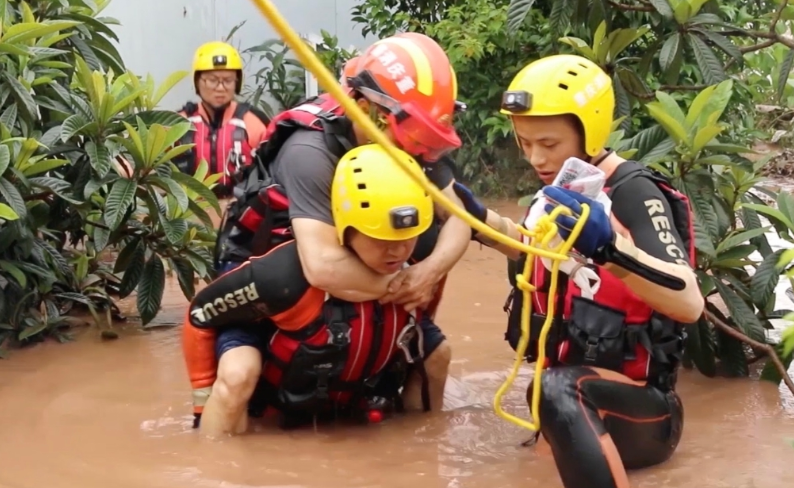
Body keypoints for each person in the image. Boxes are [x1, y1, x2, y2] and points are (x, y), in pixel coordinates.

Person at [450, 54, 704, 488]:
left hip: (643, 409)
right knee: (547, 398)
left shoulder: (634, 194)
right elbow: (534, 251)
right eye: (525, 142)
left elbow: (689, 300)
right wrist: (479, 222)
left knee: (557, 391)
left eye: (548, 144)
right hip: (574, 395)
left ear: (591, 131)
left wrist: (611, 251)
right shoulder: (562, 191)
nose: (535, 157)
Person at [183, 145, 451, 436]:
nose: (398, 250)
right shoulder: (287, 275)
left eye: (408, 237)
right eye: (381, 238)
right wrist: (201, 407)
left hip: (353, 377)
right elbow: (200, 313)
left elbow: (431, 296)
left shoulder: (424, 250)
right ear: (345, 227)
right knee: (237, 374)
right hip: (278, 383)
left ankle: (419, 441)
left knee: (439, 354)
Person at [173, 41, 270, 196]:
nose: (220, 88)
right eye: (212, 80)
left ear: (237, 83)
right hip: (188, 213)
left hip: (240, 213)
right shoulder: (178, 124)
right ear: (197, 81)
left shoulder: (254, 123)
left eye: (228, 80)